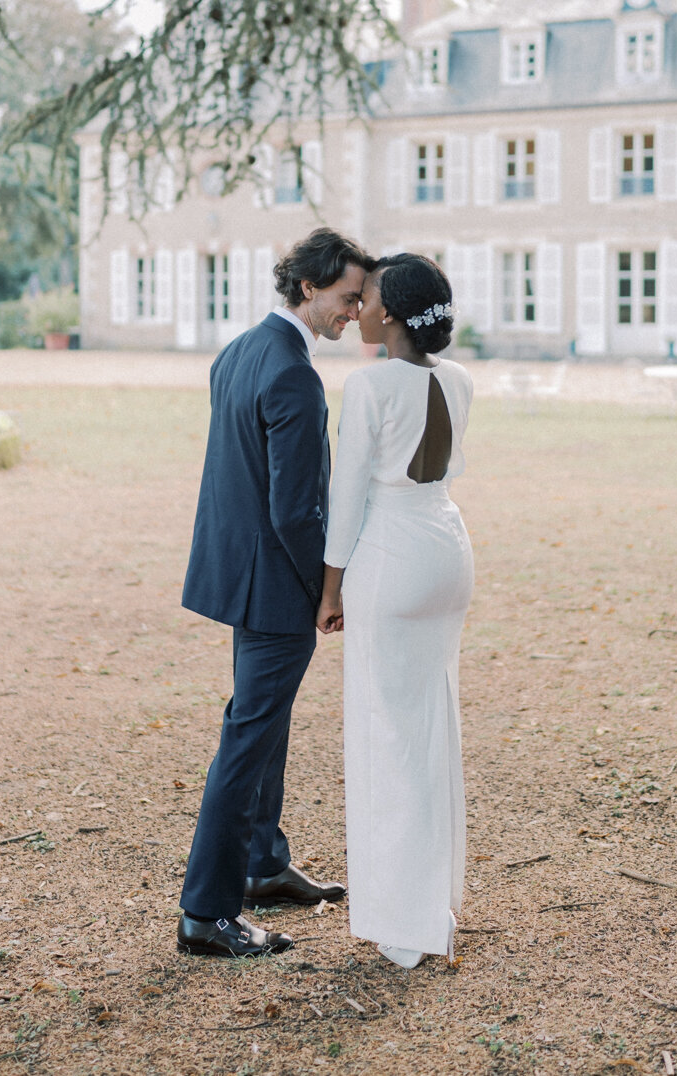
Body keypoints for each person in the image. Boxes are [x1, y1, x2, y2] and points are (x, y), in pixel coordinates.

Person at [177, 228, 374, 958]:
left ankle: (262, 864)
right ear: (308, 290)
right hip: (275, 587)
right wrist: (327, 587)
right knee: (248, 738)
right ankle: (207, 912)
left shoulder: (239, 350)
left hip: (238, 573)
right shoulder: (293, 373)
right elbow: (297, 509)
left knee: (265, 725)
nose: (355, 312)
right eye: (348, 298)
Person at [317, 254, 474, 969]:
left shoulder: (372, 384)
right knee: (433, 724)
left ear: (391, 315)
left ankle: (403, 924)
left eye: (370, 297)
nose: (360, 306)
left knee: (387, 741)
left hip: (392, 558)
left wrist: (328, 589)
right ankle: (432, 902)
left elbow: (349, 495)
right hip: (447, 550)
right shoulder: (460, 380)